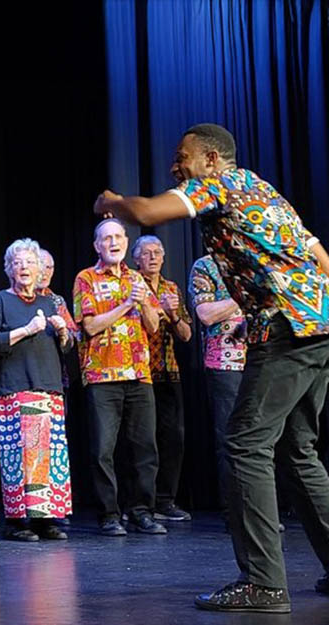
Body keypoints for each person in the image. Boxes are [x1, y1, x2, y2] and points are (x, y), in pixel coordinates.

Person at [94, 122, 329, 612]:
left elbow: (147, 212)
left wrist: (113, 202)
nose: (176, 165)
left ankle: (264, 582)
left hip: (286, 331)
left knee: (245, 444)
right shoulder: (264, 190)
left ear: (212, 159)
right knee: (296, 448)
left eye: (183, 156)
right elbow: (314, 251)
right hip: (314, 327)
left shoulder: (219, 184)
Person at [73, 219, 167, 536]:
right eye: (106, 238)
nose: (113, 242)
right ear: (97, 245)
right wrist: (127, 304)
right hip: (102, 375)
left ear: (126, 242)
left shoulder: (137, 278)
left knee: (144, 448)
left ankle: (142, 510)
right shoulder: (86, 278)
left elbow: (153, 326)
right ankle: (109, 514)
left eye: (118, 237)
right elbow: (89, 326)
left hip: (139, 374)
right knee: (103, 449)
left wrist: (142, 302)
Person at [0, 238, 73, 541]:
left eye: (30, 262)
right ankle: (18, 521)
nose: (24, 267)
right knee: (19, 457)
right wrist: (26, 331)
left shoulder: (50, 302)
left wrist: (62, 331)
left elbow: (68, 346)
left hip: (49, 386)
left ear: (40, 271)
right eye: (18, 262)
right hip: (16, 387)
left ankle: (46, 518)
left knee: (50, 457)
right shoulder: (0, 299)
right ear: (10, 268)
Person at [132, 235, 193, 522]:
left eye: (157, 252)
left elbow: (186, 334)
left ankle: (166, 500)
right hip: (140, 373)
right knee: (143, 440)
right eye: (146, 253)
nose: (153, 257)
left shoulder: (171, 289)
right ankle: (139, 502)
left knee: (173, 437)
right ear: (136, 259)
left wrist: (172, 313)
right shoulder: (132, 285)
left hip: (170, 373)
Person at [188, 254, 247, 523]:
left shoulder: (253, 261)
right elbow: (206, 314)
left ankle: (262, 510)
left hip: (263, 359)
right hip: (224, 363)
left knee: (261, 439)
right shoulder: (206, 266)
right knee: (230, 439)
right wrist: (243, 295)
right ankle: (235, 512)